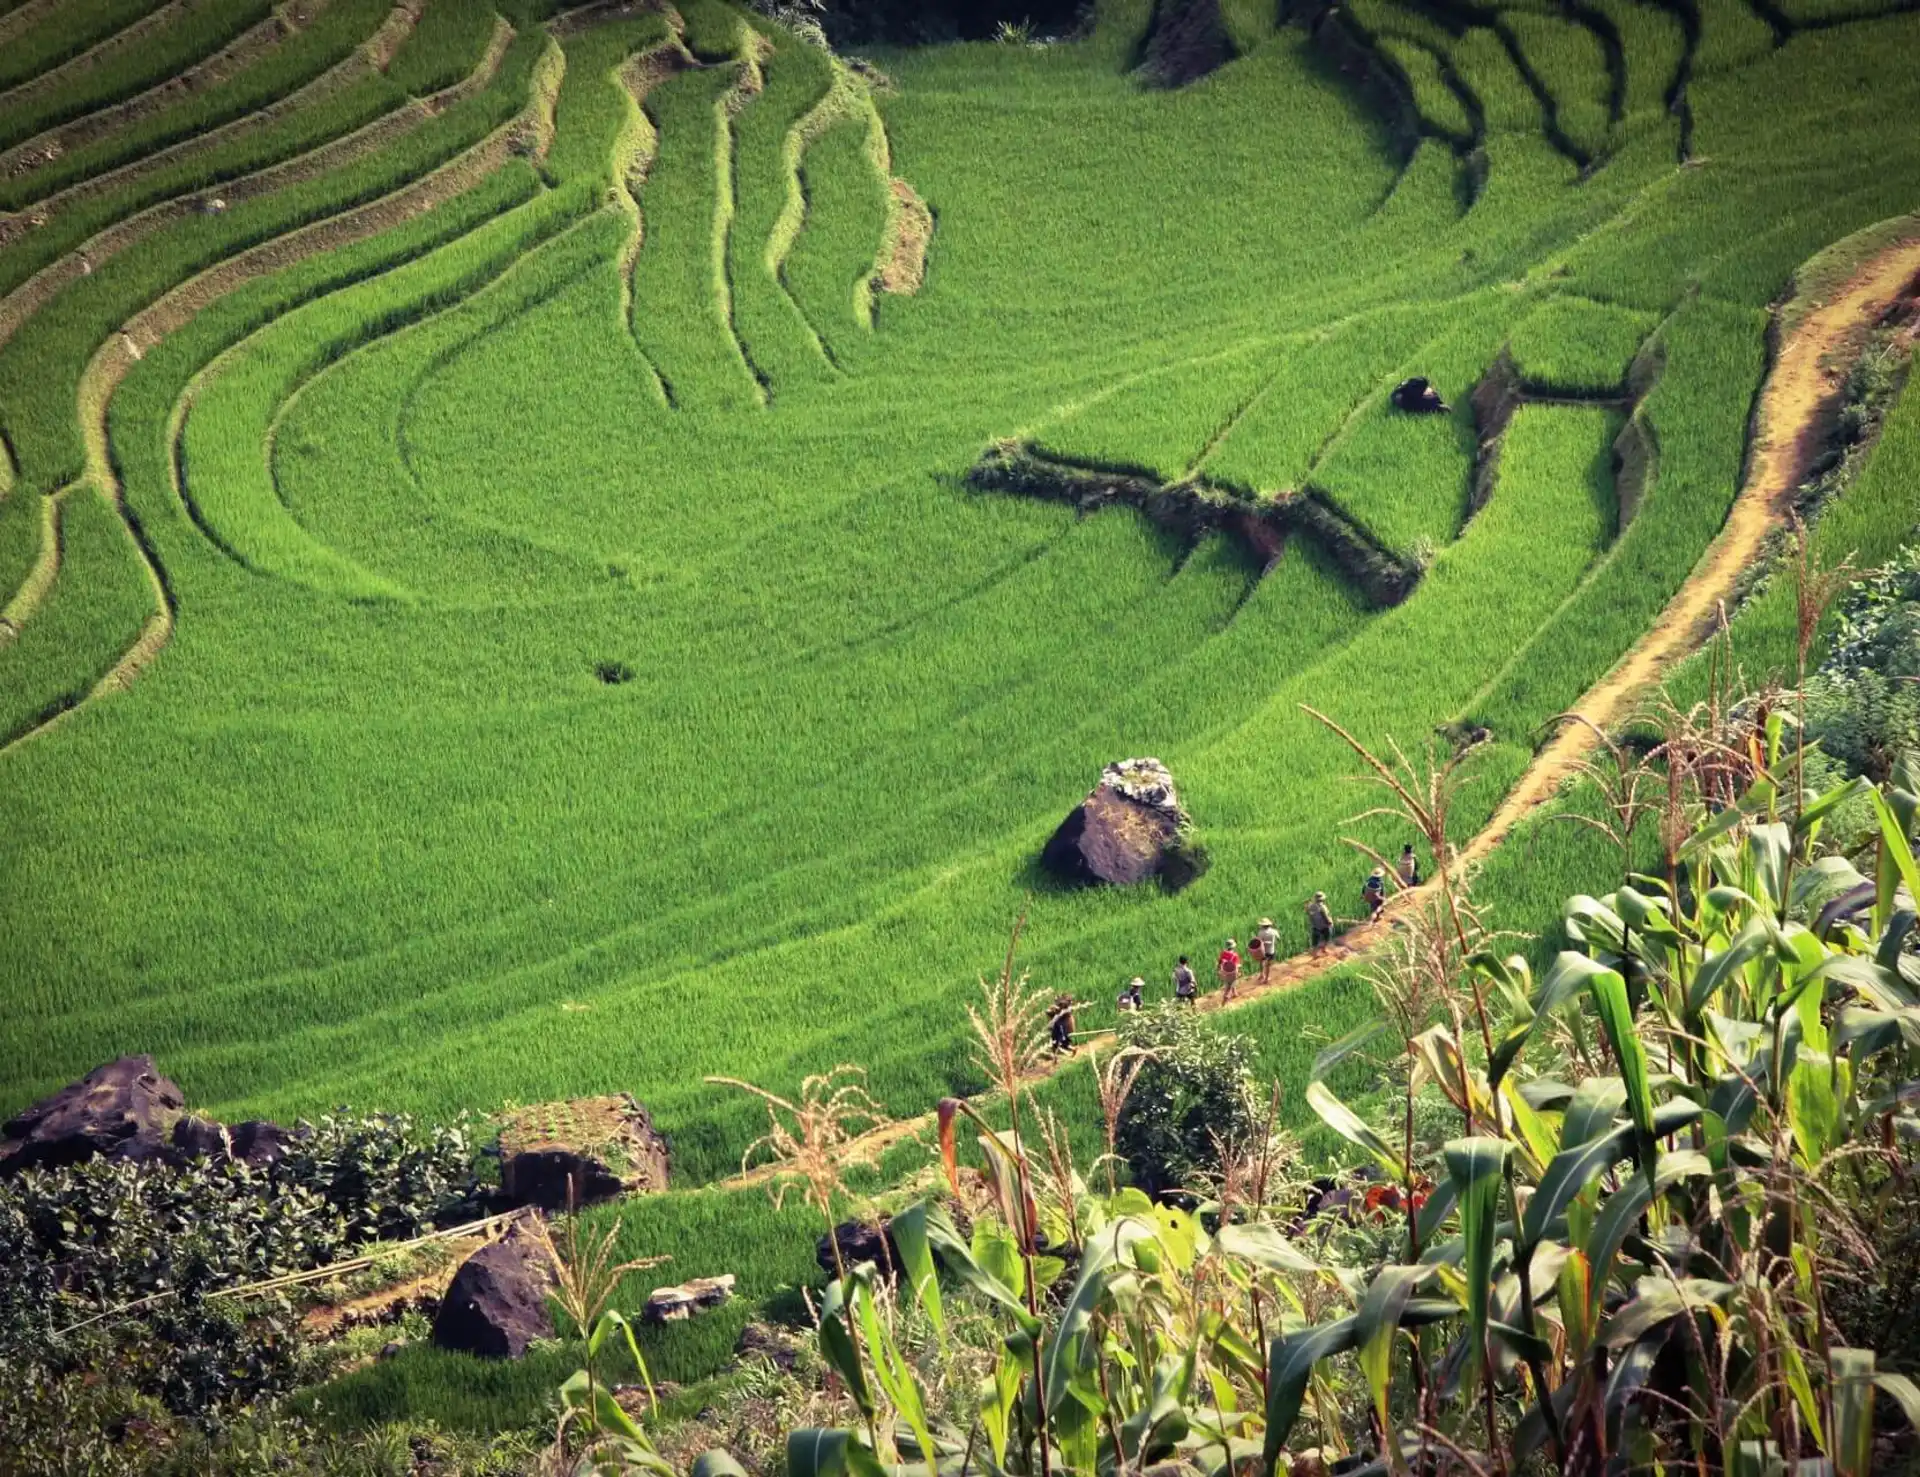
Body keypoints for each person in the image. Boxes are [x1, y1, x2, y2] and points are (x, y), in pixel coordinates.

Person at [1217, 938, 1241, 1003]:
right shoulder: (1235, 955)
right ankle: (1224, 1002)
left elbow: (1219, 962)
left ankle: (1235, 993)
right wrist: (1238, 973)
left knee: (1229, 983)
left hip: (1224, 972)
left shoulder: (1223, 953)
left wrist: (1218, 970)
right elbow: (1236, 966)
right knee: (1229, 987)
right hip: (1232, 973)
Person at [1256, 916, 1280, 983]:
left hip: (1263, 951)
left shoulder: (1260, 932)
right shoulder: (1274, 931)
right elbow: (1279, 938)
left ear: (1262, 926)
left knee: (1261, 962)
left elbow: (1259, 941)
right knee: (1268, 965)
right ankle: (1266, 979)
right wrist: (1274, 941)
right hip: (1271, 950)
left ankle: (1261, 974)